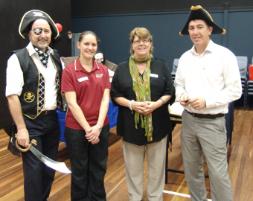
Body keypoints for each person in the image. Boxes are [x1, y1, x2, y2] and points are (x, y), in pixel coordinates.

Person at [175, 5, 242, 201]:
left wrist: (207, 101)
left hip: (213, 123)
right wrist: (182, 95)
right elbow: (178, 84)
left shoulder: (225, 56)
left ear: (210, 29)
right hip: (187, 121)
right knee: (192, 170)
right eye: (191, 28)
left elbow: (235, 90)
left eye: (199, 27)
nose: (195, 32)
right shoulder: (185, 58)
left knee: (218, 174)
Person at [111, 27, 174, 201]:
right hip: (131, 128)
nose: (141, 44)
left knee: (156, 169)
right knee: (133, 170)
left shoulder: (160, 66)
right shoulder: (122, 68)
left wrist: (156, 104)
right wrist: (132, 104)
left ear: (150, 44)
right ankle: (135, 197)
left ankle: (155, 197)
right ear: (132, 45)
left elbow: (170, 91)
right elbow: (115, 94)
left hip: (158, 127)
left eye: (145, 40)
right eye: (137, 40)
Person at [5, 10, 62, 201]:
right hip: (30, 123)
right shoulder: (17, 59)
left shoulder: (55, 57)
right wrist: (21, 129)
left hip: (52, 121)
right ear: (29, 33)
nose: (43, 35)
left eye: (46, 31)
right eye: (38, 30)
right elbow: (12, 97)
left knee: (49, 169)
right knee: (34, 174)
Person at [61, 31, 110, 201]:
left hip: (100, 128)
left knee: (98, 169)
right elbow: (72, 104)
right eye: (86, 44)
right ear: (78, 45)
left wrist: (97, 127)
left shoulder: (103, 70)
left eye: (94, 44)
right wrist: (89, 129)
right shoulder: (69, 71)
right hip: (77, 130)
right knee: (79, 171)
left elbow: (105, 100)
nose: (90, 47)